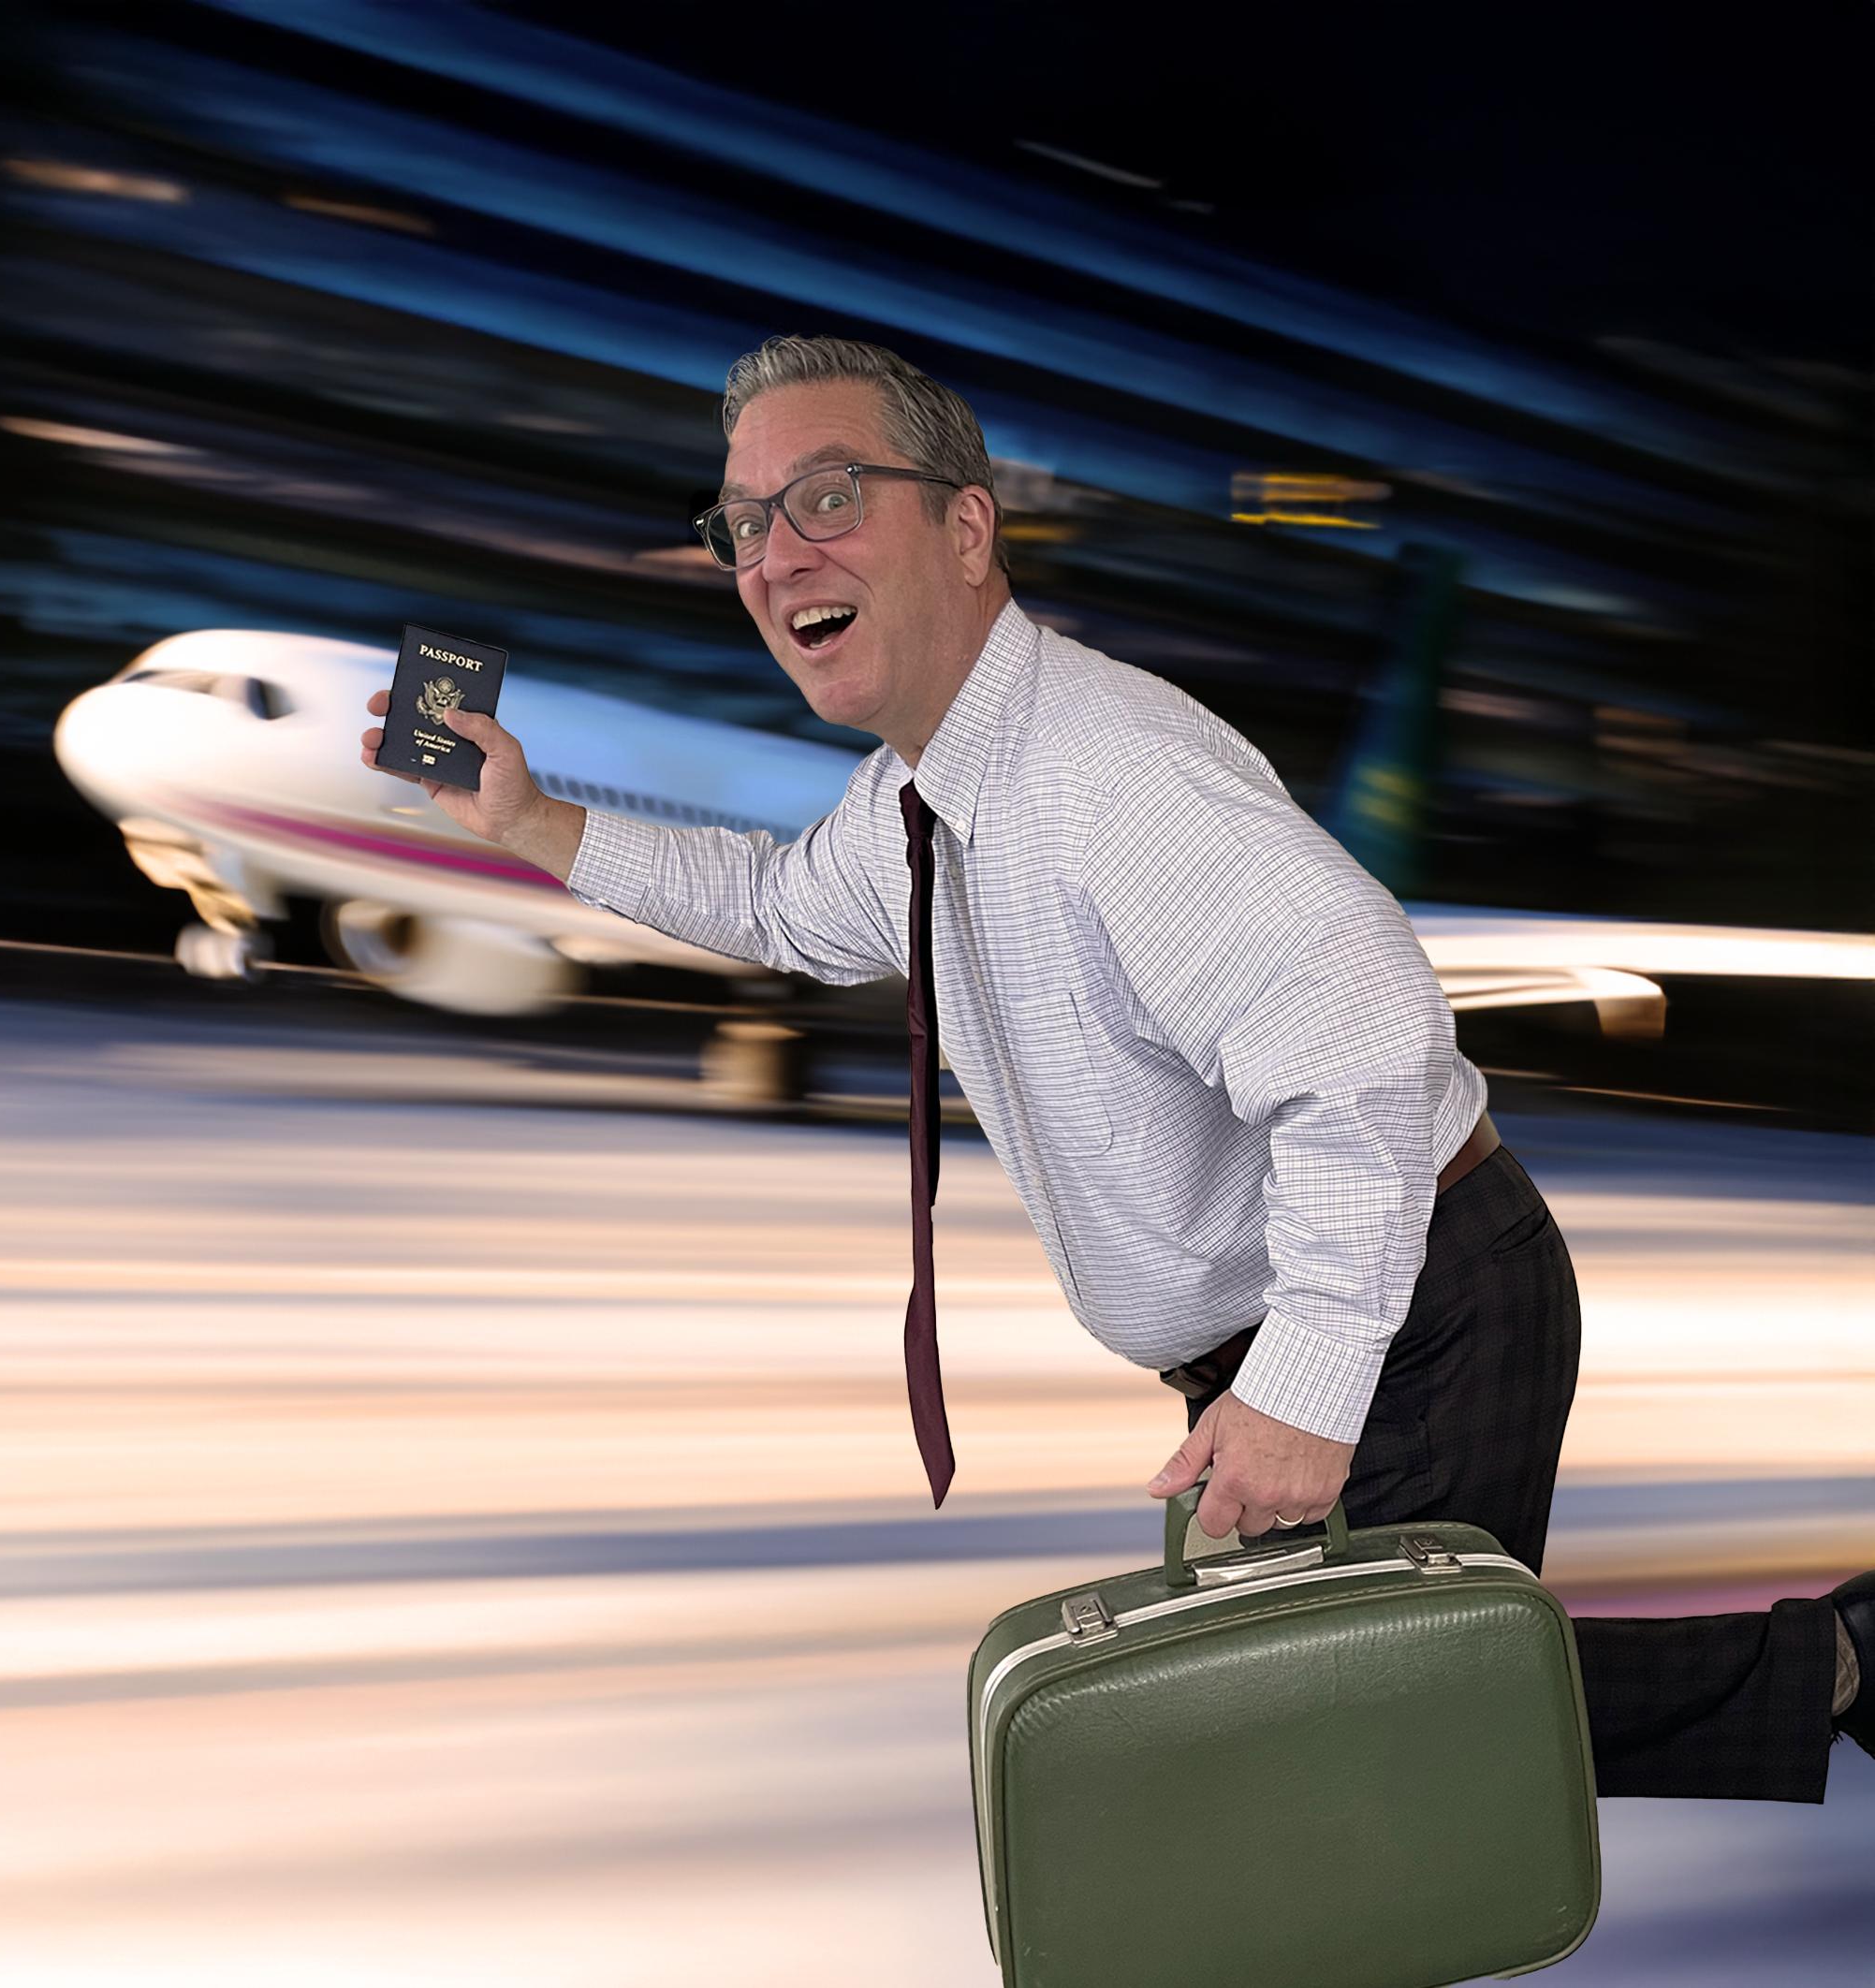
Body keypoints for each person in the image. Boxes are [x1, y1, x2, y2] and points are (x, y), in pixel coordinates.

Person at [359, 333, 1872, 1804]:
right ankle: (1846, 1673)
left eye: (826, 498)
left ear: (966, 529)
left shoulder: (1106, 776)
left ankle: (1847, 1673)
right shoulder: (925, 785)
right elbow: (779, 909)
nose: (772, 554)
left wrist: (1302, 1383)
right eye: (743, 523)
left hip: (1402, 1308)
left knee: (1384, 1733)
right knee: (1355, 1727)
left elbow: (1358, 1049)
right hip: (1308, 1328)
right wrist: (528, 822)